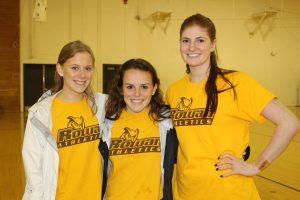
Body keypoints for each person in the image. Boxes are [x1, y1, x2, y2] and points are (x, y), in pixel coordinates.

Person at [166, 13, 300, 200]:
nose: (192, 47)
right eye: (185, 40)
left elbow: (289, 122)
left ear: (213, 44)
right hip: (185, 192)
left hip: (229, 192)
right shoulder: (173, 91)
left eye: (200, 40)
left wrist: (255, 166)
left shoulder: (235, 83)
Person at [22, 40, 107, 200]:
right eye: (74, 68)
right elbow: (33, 170)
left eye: (87, 68)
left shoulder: (101, 105)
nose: (82, 75)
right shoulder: (40, 114)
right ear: (60, 69)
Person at [100, 58, 177, 200]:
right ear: (121, 89)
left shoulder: (168, 124)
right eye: (130, 87)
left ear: (154, 88)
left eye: (144, 87)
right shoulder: (106, 124)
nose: (137, 94)